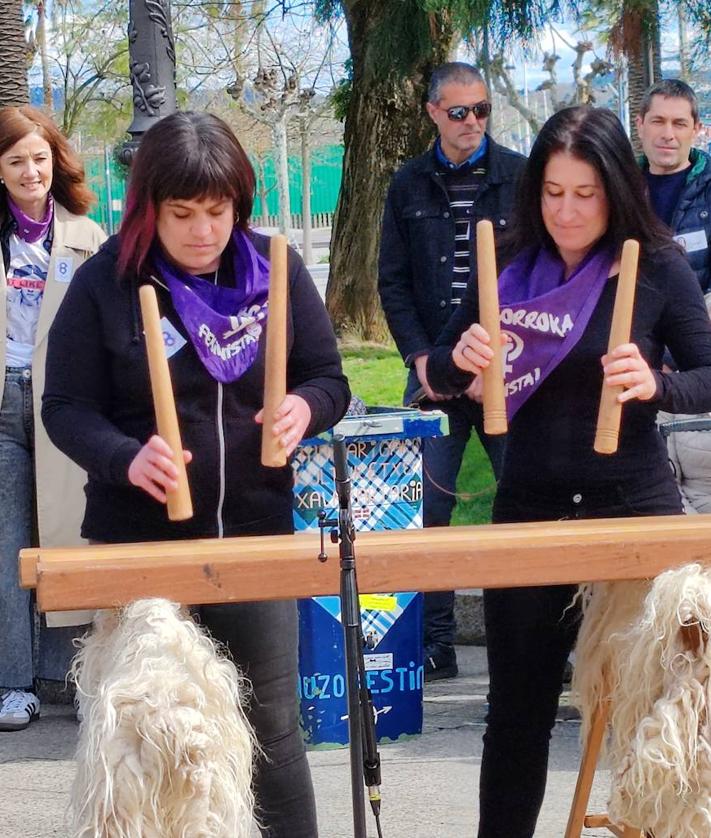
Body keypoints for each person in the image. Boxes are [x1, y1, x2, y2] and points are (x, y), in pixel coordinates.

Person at [42, 111, 350, 837]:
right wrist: (125, 457)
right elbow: (65, 408)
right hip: (138, 544)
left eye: (217, 212)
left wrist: (305, 409)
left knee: (271, 730)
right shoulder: (105, 282)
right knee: (145, 741)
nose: (202, 231)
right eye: (181, 214)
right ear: (149, 207)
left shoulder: (276, 270)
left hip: (254, 535)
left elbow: (328, 378)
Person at [427, 105, 711, 838]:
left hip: (633, 506)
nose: (566, 210)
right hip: (529, 509)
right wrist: (456, 364)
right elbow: (432, 369)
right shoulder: (508, 265)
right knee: (516, 712)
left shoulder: (653, 265)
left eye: (584, 193)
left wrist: (658, 384)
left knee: (660, 710)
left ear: (615, 188)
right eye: (553, 192)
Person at [378, 62, 526, 680]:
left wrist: (502, 355)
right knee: (426, 509)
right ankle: (436, 643)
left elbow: (532, 277)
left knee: (522, 502)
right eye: (459, 112)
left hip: (507, 368)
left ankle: (525, 638)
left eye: (482, 110)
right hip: (433, 375)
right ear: (434, 112)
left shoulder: (519, 176)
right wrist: (422, 361)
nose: (472, 123)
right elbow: (393, 282)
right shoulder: (407, 183)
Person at [0, 105, 105, 732]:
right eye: (15, 160)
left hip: (65, 401)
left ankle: (76, 676)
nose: (30, 170)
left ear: (55, 160)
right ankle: (13, 682)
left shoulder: (87, 237)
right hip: (4, 402)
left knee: (73, 535)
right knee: (8, 546)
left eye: (39, 157)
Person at [636, 78, 711, 292]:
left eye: (679, 124)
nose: (668, 135)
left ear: (695, 130)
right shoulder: (621, 188)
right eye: (658, 121)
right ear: (640, 125)